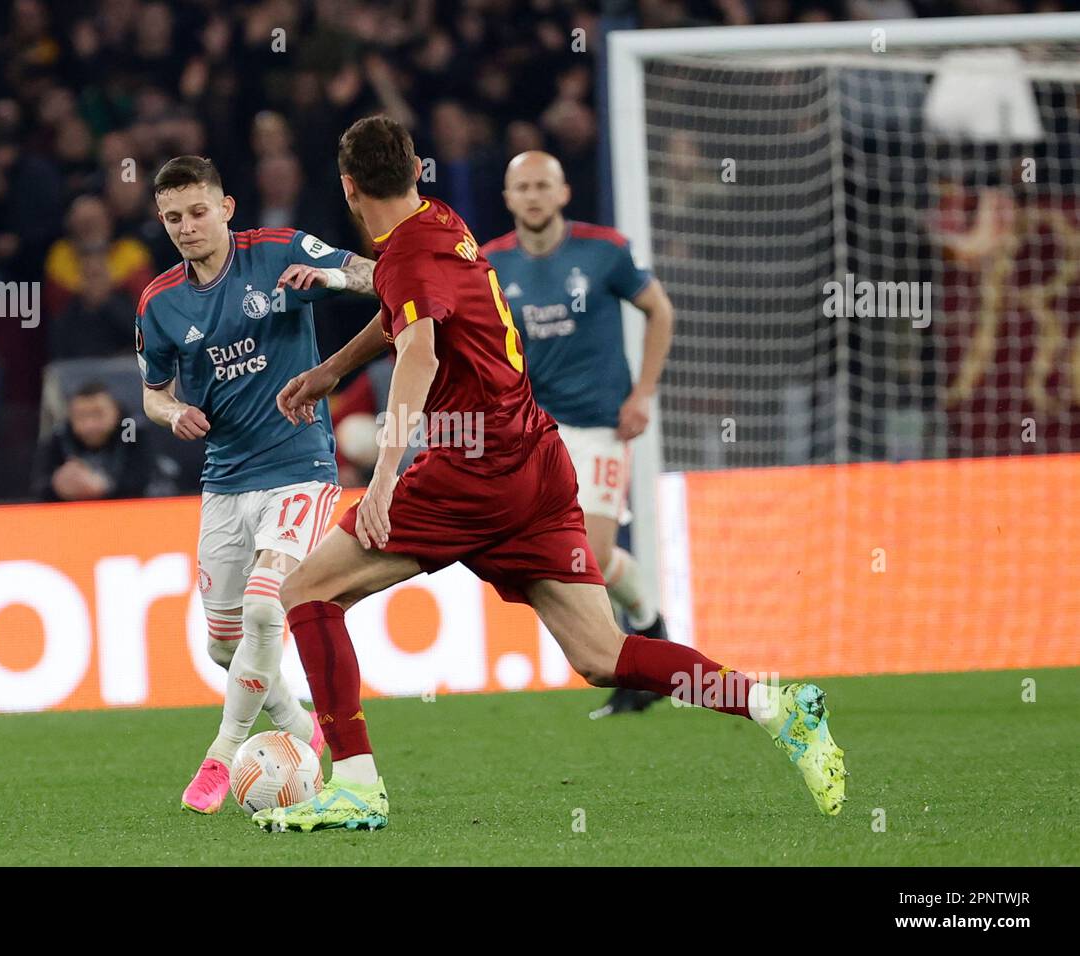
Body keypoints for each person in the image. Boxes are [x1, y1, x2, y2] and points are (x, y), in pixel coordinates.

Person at [263, 117, 846, 832]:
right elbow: (409, 313)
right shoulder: (441, 223)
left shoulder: (406, 257)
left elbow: (417, 348)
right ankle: (772, 705)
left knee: (307, 591)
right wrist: (330, 370)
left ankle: (355, 785)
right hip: (537, 460)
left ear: (349, 188)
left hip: (470, 472)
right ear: (417, 172)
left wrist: (383, 475)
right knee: (603, 655)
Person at [135, 155, 378, 813]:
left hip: (299, 469)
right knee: (222, 643)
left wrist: (328, 274)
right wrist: (172, 412)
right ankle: (301, 733)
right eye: (173, 217)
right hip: (225, 481)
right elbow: (153, 394)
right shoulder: (159, 303)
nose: (186, 227)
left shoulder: (277, 251)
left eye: (197, 211)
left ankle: (221, 755)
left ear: (227, 208)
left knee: (269, 607)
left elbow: (382, 278)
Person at [482, 151, 676, 718]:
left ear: (564, 193)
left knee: (588, 553)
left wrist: (643, 393)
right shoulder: (492, 264)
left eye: (544, 185)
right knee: (553, 559)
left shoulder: (604, 251)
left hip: (599, 425)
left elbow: (659, 310)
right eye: (523, 187)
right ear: (509, 198)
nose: (535, 196)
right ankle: (640, 653)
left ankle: (648, 635)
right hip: (534, 431)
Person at [30, 381, 156, 501]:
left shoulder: (132, 432)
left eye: (98, 414)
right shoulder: (60, 437)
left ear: (116, 411)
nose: (90, 425)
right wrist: (57, 485)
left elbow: (147, 481)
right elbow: (38, 484)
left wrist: (106, 487)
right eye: (81, 416)